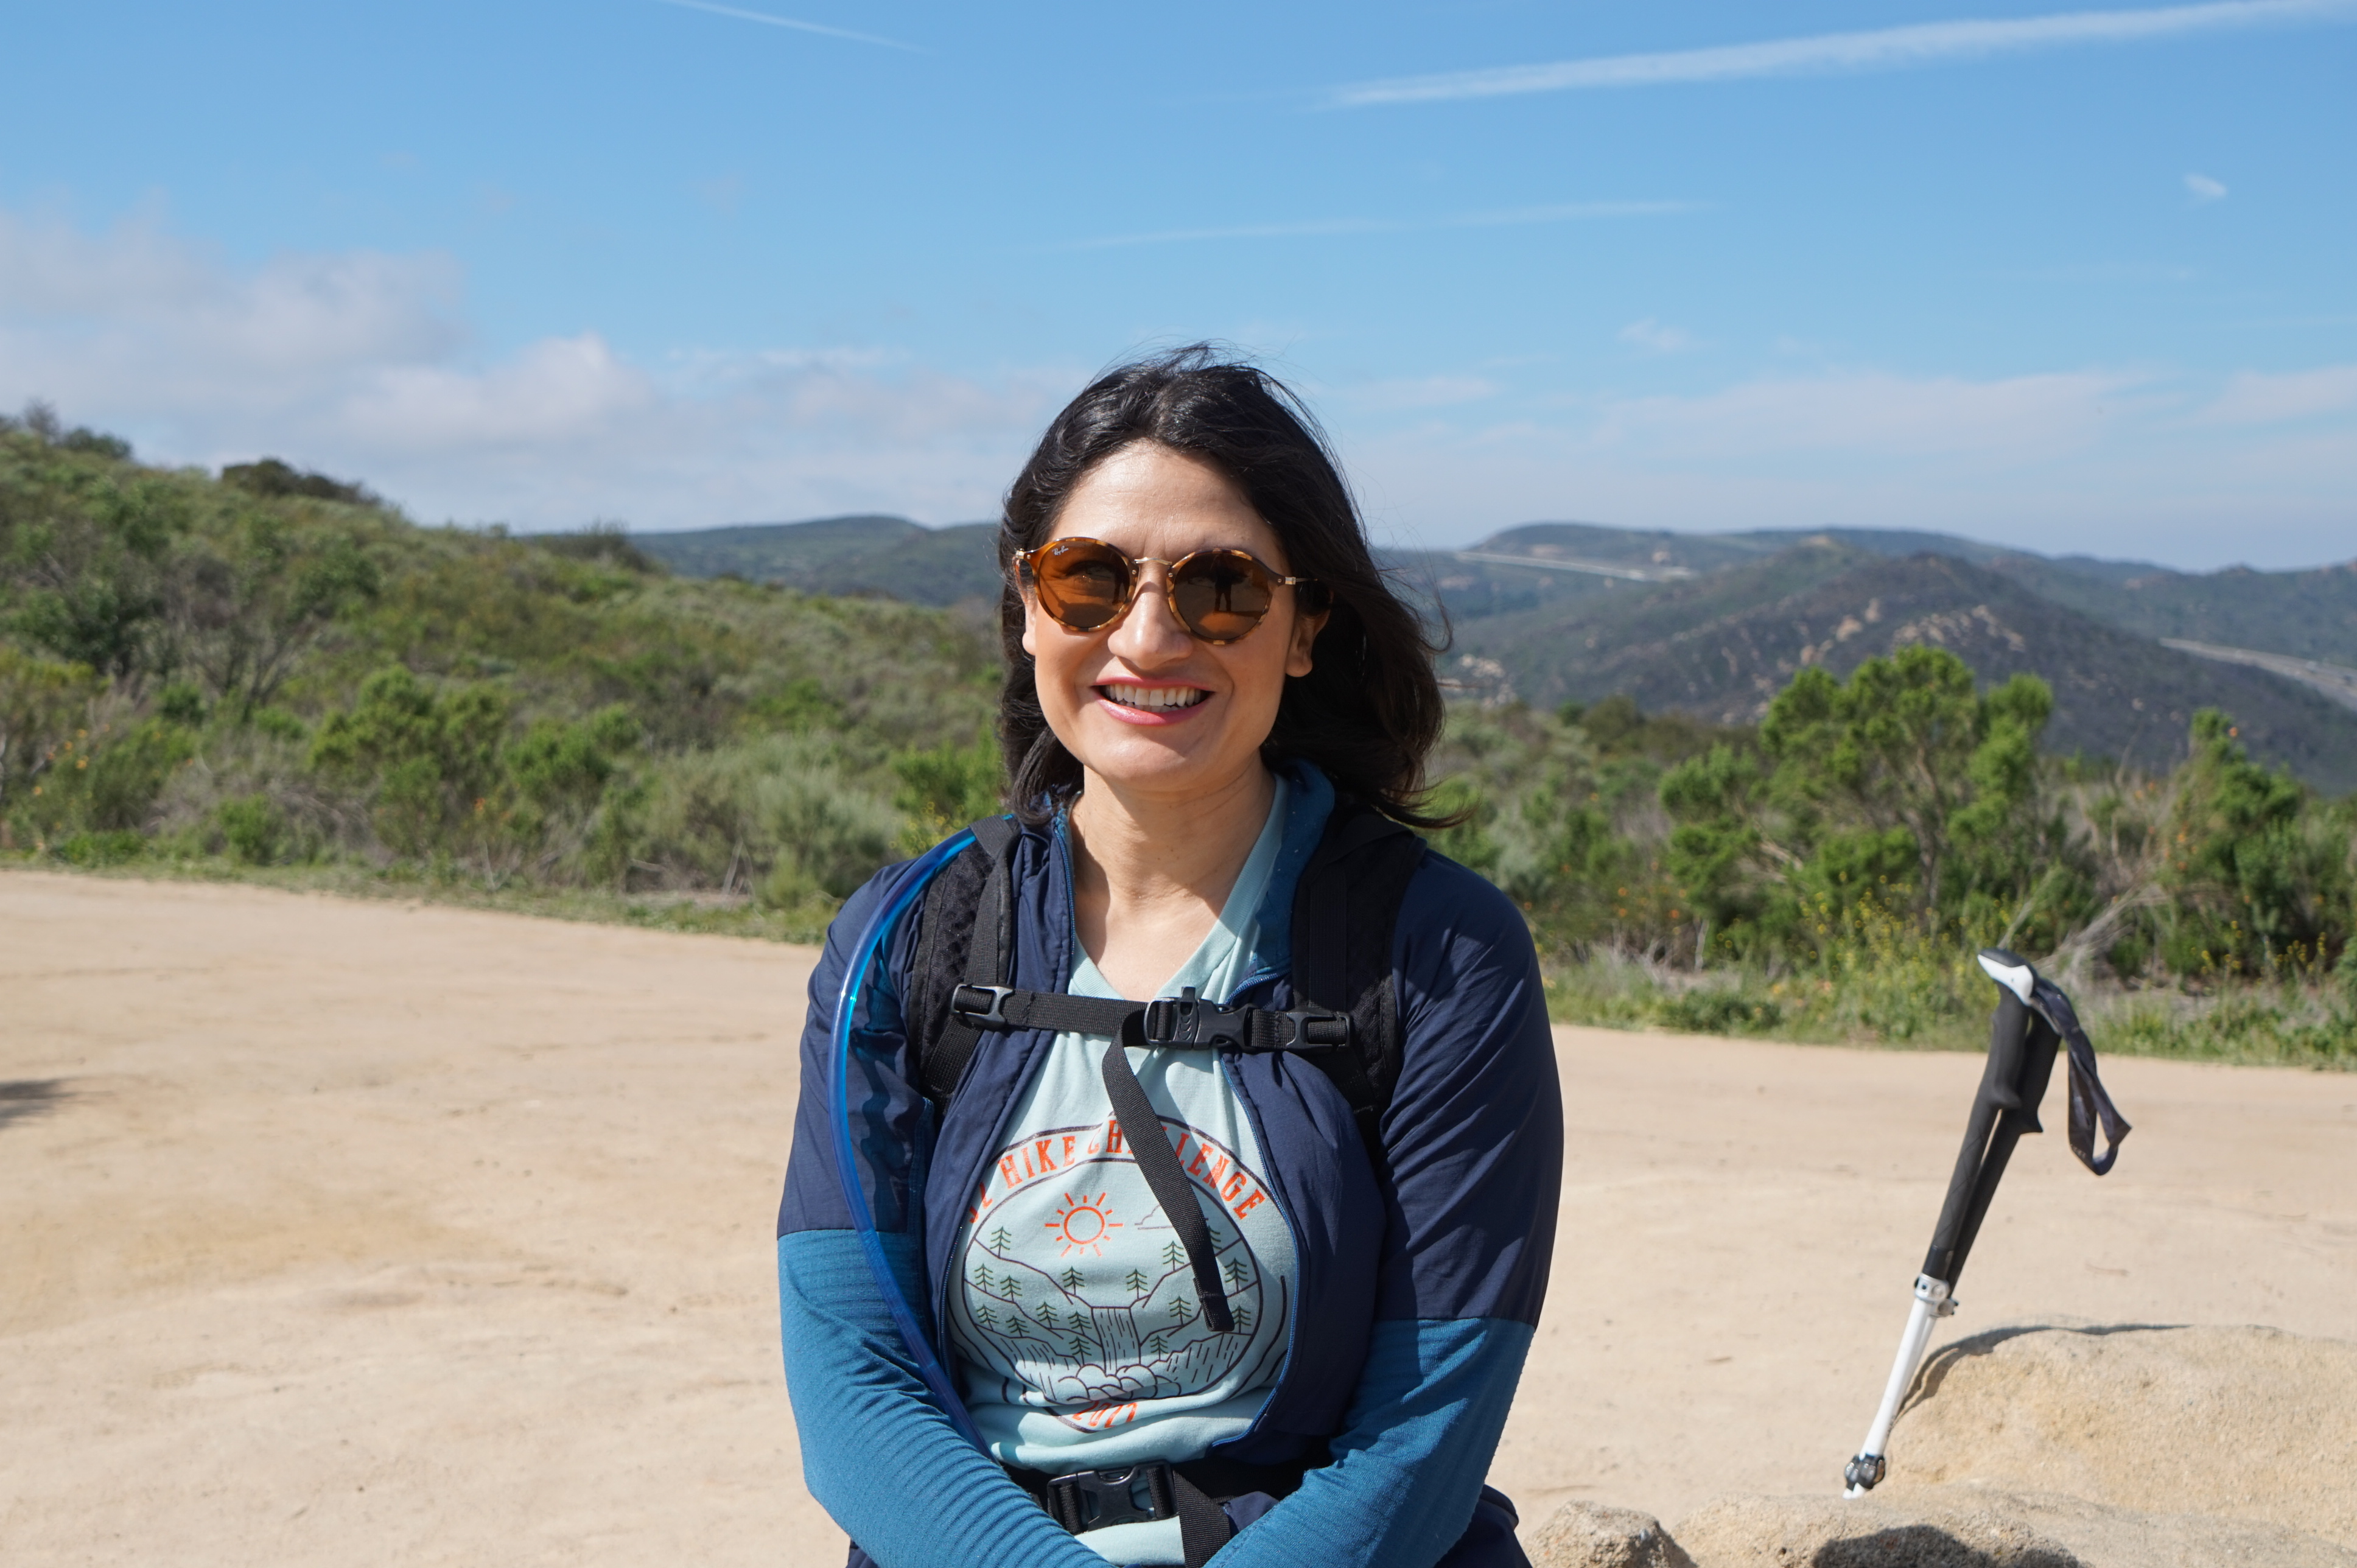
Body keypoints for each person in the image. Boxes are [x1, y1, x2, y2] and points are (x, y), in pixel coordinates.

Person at [777, 348, 1562, 1567]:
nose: (1147, 635)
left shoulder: (1438, 955)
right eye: (1088, 578)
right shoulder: (905, 939)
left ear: (1305, 628)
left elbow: (1424, 1434)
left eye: (1222, 587)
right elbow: (855, 1389)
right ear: (1026, 604)